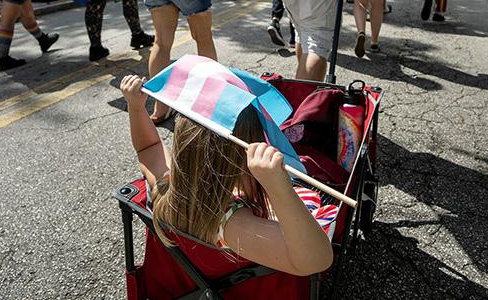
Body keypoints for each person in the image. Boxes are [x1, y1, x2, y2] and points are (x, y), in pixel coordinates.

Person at [119, 74, 333, 274]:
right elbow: (316, 260)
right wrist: (279, 188)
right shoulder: (233, 225)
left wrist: (136, 108)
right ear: (241, 161)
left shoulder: (169, 190)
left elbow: (149, 148)